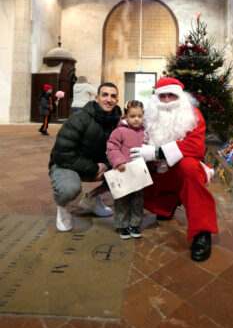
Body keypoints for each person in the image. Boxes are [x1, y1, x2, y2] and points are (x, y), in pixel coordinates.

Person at [130, 77, 218, 262]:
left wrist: (156, 151)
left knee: (190, 168)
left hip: (181, 170)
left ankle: (202, 232)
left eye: (172, 95)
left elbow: (195, 147)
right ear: (156, 99)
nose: (168, 100)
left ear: (181, 97)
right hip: (158, 171)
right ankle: (165, 205)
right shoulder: (149, 116)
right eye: (163, 96)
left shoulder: (193, 115)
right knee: (131, 169)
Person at [49, 82, 122, 232]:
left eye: (113, 96)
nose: (109, 99)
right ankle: (63, 207)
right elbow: (62, 153)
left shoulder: (118, 122)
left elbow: (122, 149)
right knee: (69, 188)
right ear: (96, 98)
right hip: (67, 164)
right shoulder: (80, 118)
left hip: (98, 166)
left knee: (129, 170)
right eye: (105, 95)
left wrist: (107, 165)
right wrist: (94, 167)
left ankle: (92, 198)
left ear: (117, 100)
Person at [107, 100, 145, 240]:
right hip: (122, 171)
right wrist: (119, 161)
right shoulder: (119, 131)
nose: (136, 119)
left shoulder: (144, 132)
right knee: (122, 199)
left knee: (137, 200)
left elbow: (148, 149)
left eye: (139, 116)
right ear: (126, 116)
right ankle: (122, 225)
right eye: (133, 116)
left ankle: (135, 224)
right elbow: (112, 147)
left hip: (138, 172)